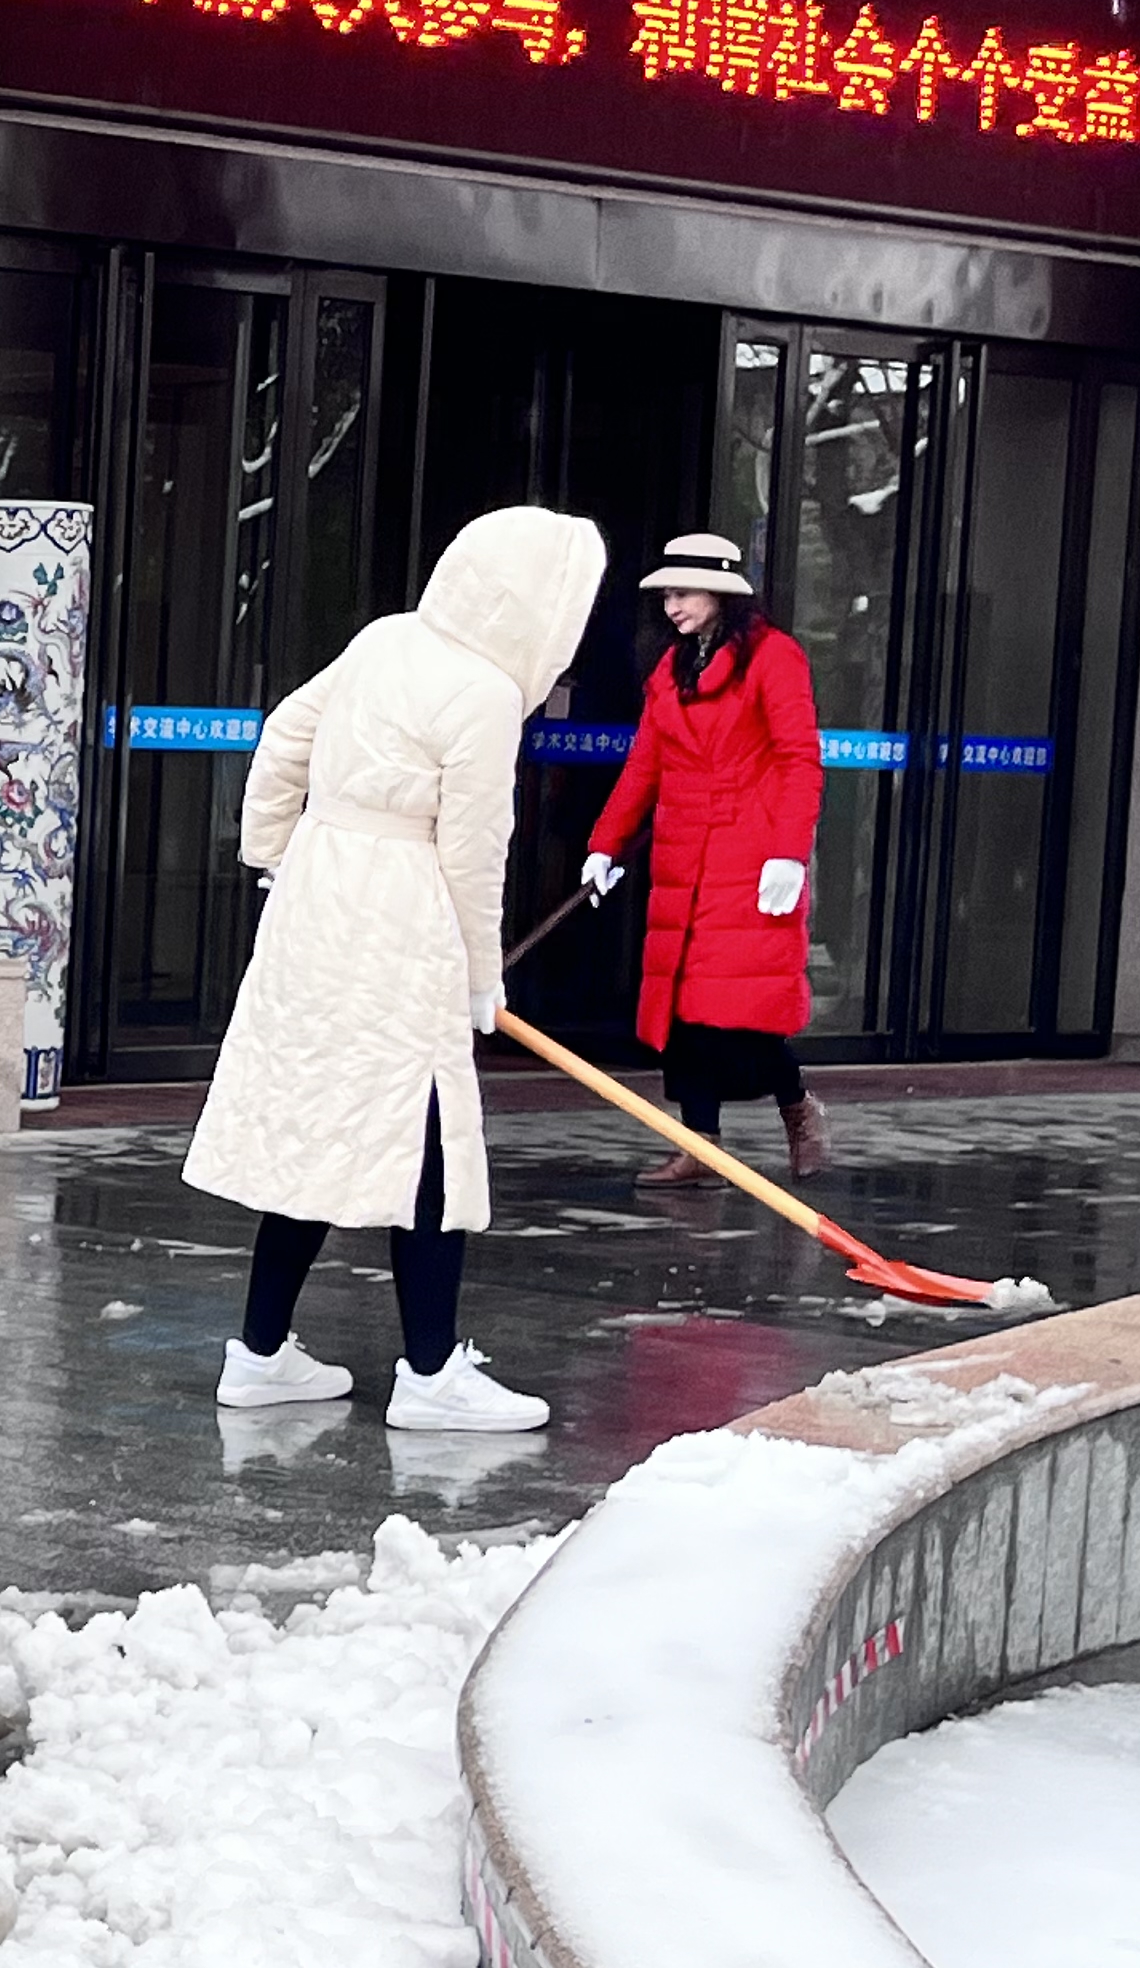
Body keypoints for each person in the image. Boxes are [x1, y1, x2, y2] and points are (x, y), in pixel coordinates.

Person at [185, 505, 610, 1435]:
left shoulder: (386, 640)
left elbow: (286, 733)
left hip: (318, 891)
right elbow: (471, 848)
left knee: (318, 1126)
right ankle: (428, 1375)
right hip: (403, 910)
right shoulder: (486, 693)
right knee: (426, 1136)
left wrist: (274, 853)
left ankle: (259, 1355)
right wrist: (477, 973)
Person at [581, 533, 831, 1185]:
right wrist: (604, 845)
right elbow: (646, 764)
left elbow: (800, 758)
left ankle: (799, 1110)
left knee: (742, 1018)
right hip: (683, 859)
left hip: (749, 860)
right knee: (684, 1018)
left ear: (721, 593)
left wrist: (788, 854)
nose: (671, 605)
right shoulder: (672, 670)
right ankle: (701, 1147)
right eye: (665, 593)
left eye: (683, 592)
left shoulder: (775, 658)